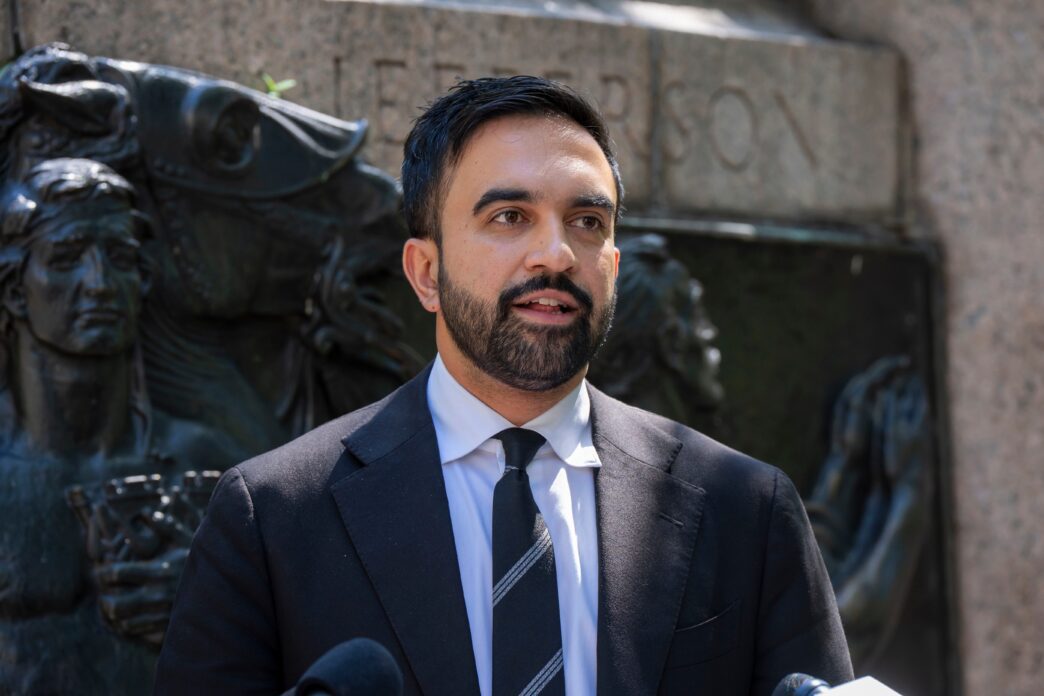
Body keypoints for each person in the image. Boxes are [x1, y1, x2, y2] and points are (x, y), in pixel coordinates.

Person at [156, 77, 852, 695]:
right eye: (509, 217)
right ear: (426, 272)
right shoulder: (271, 519)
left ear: (611, 266)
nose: (555, 254)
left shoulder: (746, 511)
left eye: (587, 223)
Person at [0, 158, 244, 694]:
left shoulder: (208, 464)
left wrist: (210, 607)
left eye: (119, 257)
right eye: (67, 257)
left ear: (144, 279)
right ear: (17, 289)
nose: (100, 283)